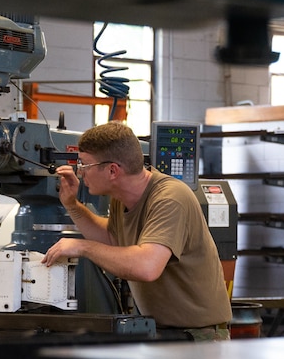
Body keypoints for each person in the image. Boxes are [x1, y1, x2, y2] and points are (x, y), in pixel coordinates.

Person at [42, 122, 232, 341]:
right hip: (162, 331)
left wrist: (82, 247)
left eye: (85, 165)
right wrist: (72, 206)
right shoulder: (120, 199)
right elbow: (114, 240)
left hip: (199, 337)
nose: (81, 172)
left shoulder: (170, 198)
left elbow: (147, 266)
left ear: (112, 170)